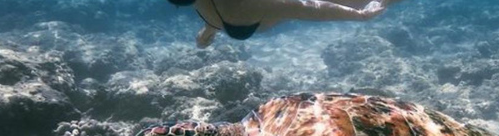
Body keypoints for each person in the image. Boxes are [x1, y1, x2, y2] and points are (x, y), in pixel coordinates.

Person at [167, 0, 398, 48]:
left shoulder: (194, 2)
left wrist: (210, 27)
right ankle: (211, 29)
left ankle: (210, 30)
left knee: (216, 21)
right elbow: (308, 9)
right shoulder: (243, 6)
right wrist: (359, 16)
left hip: (217, 19)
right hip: (246, 21)